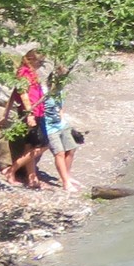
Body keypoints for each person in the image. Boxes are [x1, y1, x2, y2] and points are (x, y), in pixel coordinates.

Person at [0, 49, 51, 189]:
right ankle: (11, 171)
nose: (41, 65)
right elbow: (22, 94)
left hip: (37, 111)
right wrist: (29, 115)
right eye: (39, 62)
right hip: (31, 112)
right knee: (43, 145)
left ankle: (32, 177)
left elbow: (13, 94)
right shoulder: (23, 73)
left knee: (30, 145)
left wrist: (6, 113)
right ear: (32, 60)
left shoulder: (31, 73)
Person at [40, 63, 80, 192]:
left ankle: (67, 176)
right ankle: (65, 183)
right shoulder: (44, 91)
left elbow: (60, 107)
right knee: (59, 153)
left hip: (61, 124)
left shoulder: (60, 91)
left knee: (72, 149)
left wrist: (64, 121)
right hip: (49, 127)